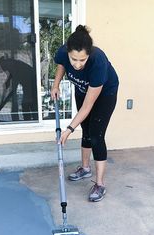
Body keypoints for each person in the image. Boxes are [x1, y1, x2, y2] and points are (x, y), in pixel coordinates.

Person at [51, 25, 119, 202]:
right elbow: (61, 65)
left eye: (83, 60)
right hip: (82, 89)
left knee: (96, 135)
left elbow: (88, 106)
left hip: (105, 94)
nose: (78, 64)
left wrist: (68, 129)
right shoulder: (62, 53)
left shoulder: (98, 62)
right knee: (86, 129)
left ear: (89, 54)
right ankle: (85, 168)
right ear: (68, 52)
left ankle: (100, 183)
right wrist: (55, 85)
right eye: (74, 59)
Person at [0, 55, 37, 121]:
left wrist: (9, 92)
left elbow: (14, 79)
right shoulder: (8, 63)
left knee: (27, 103)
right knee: (27, 103)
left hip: (31, 81)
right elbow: (12, 75)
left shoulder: (6, 64)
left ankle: (31, 121)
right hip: (28, 80)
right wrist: (7, 82)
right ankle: (30, 120)